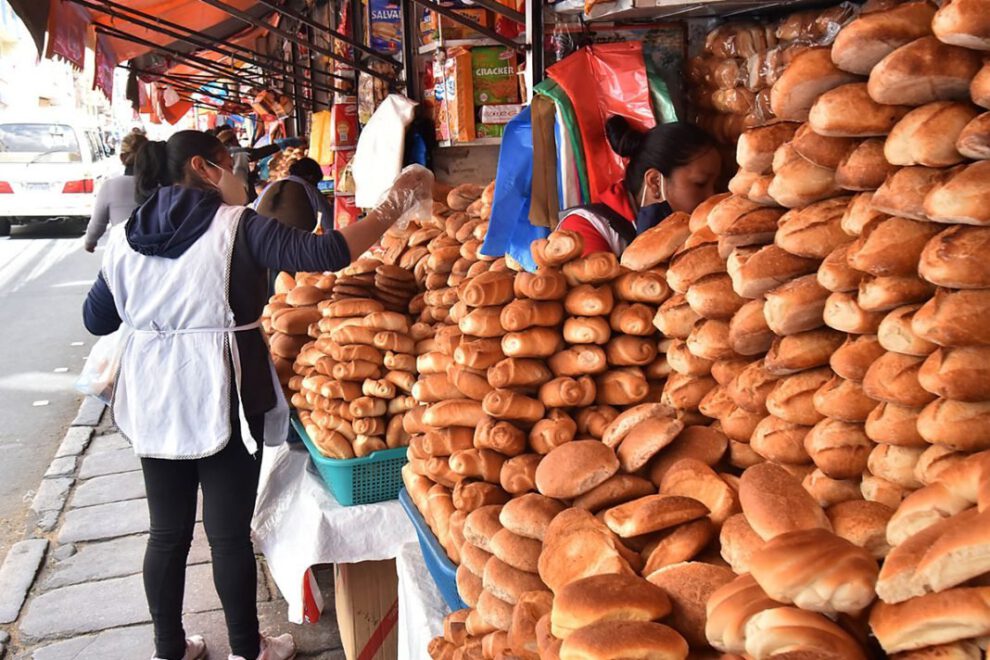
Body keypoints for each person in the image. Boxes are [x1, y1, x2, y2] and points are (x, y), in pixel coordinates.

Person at [81, 130, 429, 660]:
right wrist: (395, 204)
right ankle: (248, 649)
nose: (238, 173)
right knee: (226, 536)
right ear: (202, 167)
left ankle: (169, 649)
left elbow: (96, 318)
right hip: (221, 390)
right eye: (228, 162)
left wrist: (153, 310)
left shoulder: (128, 236)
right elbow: (329, 252)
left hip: (152, 398)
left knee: (167, 533)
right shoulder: (235, 226)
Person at [559, 116, 721, 256]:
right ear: (655, 182)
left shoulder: (705, 232)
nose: (712, 197)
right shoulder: (586, 226)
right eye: (700, 184)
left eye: (716, 185)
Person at [83, 130, 148, 252]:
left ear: (122, 158)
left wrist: (89, 243)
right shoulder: (162, 186)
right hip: (155, 255)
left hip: (121, 253)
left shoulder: (110, 186)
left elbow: (97, 224)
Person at [254, 157, 333, 233]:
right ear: (310, 177)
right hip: (290, 239)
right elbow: (331, 224)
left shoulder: (270, 187)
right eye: (316, 183)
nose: (316, 186)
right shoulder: (309, 189)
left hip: (260, 236)